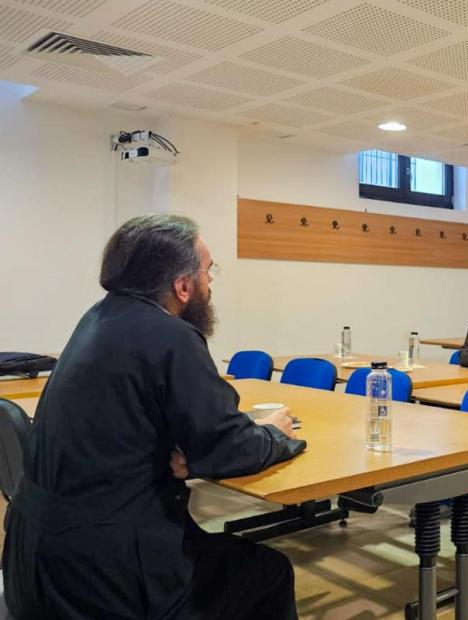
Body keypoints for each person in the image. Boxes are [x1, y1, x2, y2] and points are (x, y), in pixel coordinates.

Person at [2, 215, 305, 619]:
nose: (211, 284)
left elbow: (138, 424)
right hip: (104, 575)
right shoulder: (172, 336)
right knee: (269, 572)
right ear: (183, 286)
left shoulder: (95, 321)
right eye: (208, 271)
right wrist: (273, 434)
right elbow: (228, 447)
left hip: (31, 559)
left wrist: (194, 450)